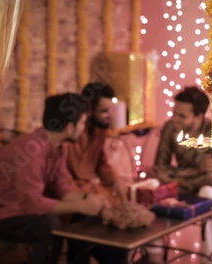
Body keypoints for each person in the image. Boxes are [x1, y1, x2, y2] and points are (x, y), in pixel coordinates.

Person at [0, 93, 110, 264]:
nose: (83, 128)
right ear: (70, 127)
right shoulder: (31, 150)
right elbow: (33, 204)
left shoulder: (56, 147)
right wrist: (81, 205)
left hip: (20, 210)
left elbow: (62, 190)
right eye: (83, 123)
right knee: (47, 224)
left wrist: (90, 200)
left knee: (83, 216)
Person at [153, 86, 212, 261]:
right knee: (151, 189)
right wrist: (195, 171)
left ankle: (209, 260)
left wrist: (176, 177)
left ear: (199, 116)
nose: (174, 119)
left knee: (208, 194)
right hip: (187, 185)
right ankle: (152, 257)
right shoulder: (171, 127)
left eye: (181, 116)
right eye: (174, 113)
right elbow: (159, 167)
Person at [64, 82, 129, 263]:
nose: (109, 116)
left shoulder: (99, 131)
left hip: (89, 191)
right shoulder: (71, 132)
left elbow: (102, 164)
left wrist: (116, 181)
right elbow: (62, 178)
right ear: (89, 110)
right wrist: (87, 196)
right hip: (70, 197)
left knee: (120, 212)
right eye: (104, 111)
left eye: (110, 110)